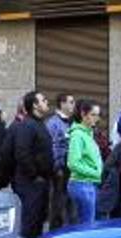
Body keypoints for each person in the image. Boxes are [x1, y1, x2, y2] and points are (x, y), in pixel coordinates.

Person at [7, 90, 53, 238]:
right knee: (29, 224)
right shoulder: (26, 126)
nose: (47, 102)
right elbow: (22, 154)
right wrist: (34, 176)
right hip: (30, 184)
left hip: (41, 183)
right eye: (44, 100)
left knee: (38, 223)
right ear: (34, 105)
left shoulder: (40, 124)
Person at [66, 100, 104, 225]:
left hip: (89, 184)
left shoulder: (88, 133)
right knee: (85, 226)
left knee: (87, 224)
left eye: (98, 115)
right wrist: (96, 173)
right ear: (83, 114)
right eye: (93, 115)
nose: (96, 119)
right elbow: (73, 163)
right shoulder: (77, 135)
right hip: (81, 184)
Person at [45, 93, 75, 230]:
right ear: (62, 104)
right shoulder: (53, 123)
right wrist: (57, 167)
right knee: (58, 205)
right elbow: (51, 146)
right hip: (60, 171)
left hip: (71, 170)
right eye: (71, 102)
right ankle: (55, 232)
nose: (73, 105)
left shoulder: (72, 122)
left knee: (70, 205)